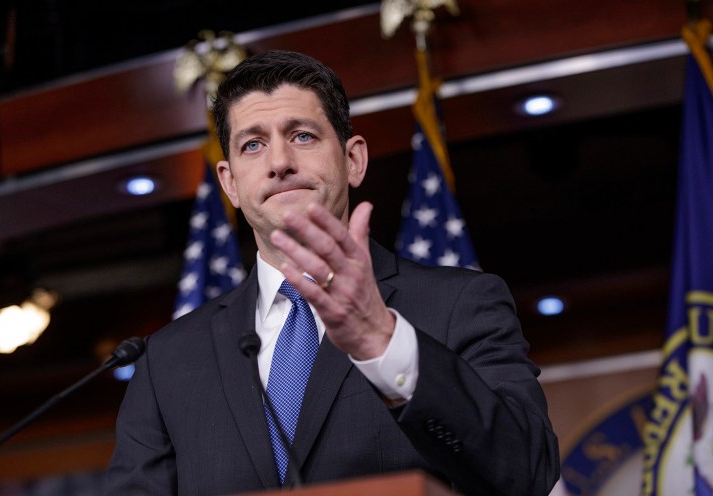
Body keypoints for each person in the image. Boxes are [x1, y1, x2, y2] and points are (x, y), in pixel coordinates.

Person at [104, 50, 560, 496]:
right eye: (253, 145)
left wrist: (384, 344)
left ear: (353, 159)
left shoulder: (460, 304)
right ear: (230, 183)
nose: (279, 162)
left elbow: (526, 471)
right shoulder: (165, 361)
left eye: (302, 136)